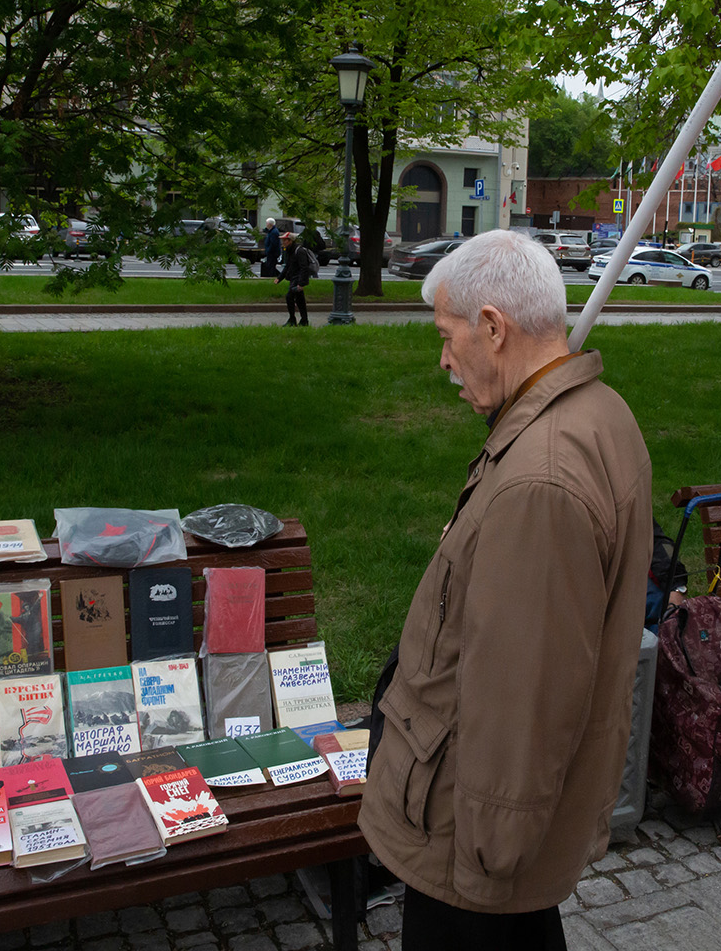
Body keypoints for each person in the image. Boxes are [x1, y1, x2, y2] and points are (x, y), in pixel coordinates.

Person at [358, 229, 652, 950]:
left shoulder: (542, 480)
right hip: (484, 834)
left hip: (470, 845)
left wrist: (490, 855)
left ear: (493, 327)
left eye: (448, 335)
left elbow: (525, 695)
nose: (443, 358)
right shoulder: (593, 415)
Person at [276, 237, 317, 326]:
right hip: (293, 278)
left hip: (297, 279)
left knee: (289, 297)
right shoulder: (290, 251)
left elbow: (304, 268)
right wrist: (279, 278)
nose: (283, 242)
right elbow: (287, 266)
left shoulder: (299, 251)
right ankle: (304, 320)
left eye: (285, 240)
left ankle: (292, 319)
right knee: (300, 300)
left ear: (290, 241)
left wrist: (301, 283)